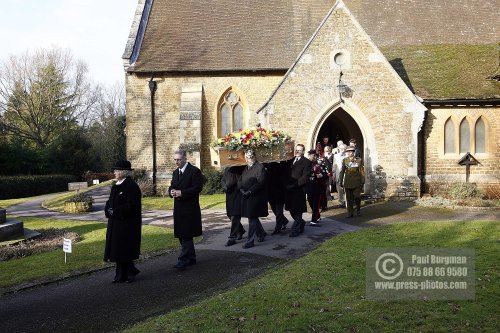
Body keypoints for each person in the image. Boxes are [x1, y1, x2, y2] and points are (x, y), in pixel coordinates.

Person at [104, 160, 142, 283]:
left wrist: (115, 212)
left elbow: (130, 206)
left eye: (116, 170)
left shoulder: (131, 186)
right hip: (115, 223)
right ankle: (120, 275)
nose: (114, 172)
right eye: (114, 170)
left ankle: (130, 273)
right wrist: (108, 210)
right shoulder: (116, 185)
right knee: (117, 249)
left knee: (125, 248)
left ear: (124, 172)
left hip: (127, 223)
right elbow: (109, 202)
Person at [168, 149, 203, 269]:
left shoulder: (194, 171)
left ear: (185, 159)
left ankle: (182, 260)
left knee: (187, 235)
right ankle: (191, 257)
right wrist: (171, 191)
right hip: (178, 208)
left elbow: (197, 188)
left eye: (178, 159)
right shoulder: (175, 173)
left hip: (190, 208)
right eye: (175, 160)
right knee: (181, 235)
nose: (176, 162)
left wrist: (182, 193)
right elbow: (172, 186)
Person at [240, 149, 268, 248]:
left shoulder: (260, 167)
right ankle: (261, 233)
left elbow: (260, 182)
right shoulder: (246, 168)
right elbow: (241, 180)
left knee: (252, 218)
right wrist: (241, 189)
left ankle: (250, 241)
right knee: (252, 217)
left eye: (250, 156)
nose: (248, 159)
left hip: (256, 197)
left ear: (254, 157)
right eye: (247, 157)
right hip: (247, 196)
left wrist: (250, 191)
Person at [284, 144, 312, 237]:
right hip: (289, 190)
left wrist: (294, 185)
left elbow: (305, 177)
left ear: (303, 151)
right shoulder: (290, 160)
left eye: (300, 150)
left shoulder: (306, 162)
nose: (297, 151)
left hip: (299, 190)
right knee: (291, 210)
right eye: (296, 150)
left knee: (298, 210)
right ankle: (301, 222)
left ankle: (295, 230)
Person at [221, 166, 246, 246]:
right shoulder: (227, 167)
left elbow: (240, 180)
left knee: (235, 216)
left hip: (237, 194)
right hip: (229, 194)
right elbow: (223, 179)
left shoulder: (239, 166)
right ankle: (241, 230)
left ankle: (232, 238)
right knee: (230, 215)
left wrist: (229, 186)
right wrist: (224, 186)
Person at [338, 146, 365, 218]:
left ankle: (358, 209)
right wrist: (340, 181)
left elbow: (361, 171)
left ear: (354, 152)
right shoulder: (345, 160)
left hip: (356, 182)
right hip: (347, 182)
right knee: (349, 198)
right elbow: (342, 171)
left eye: (352, 152)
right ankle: (350, 213)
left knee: (357, 197)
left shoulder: (358, 160)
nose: (350, 153)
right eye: (348, 152)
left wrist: (363, 181)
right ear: (347, 153)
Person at [306, 149, 329, 225]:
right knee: (311, 202)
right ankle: (317, 215)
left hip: (318, 187)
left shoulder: (320, 164)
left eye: (314, 155)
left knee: (316, 204)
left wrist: (321, 175)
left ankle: (314, 220)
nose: (313, 157)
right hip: (309, 187)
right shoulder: (306, 164)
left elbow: (326, 174)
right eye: (311, 155)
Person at [266, 161, 290, 235]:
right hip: (271, 192)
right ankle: (284, 221)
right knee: (274, 210)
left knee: (279, 211)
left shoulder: (281, 165)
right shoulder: (268, 165)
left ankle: (278, 228)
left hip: (279, 192)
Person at [333, 143, 347, 208]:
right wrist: (334, 175)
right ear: (339, 149)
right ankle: (341, 202)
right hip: (338, 175)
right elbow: (334, 166)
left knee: (346, 189)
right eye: (341, 148)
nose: (342, 150)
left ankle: (347, 202)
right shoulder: (336, 156)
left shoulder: (347, 156)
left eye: (343, 149)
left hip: (346, 175)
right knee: (339, 189)